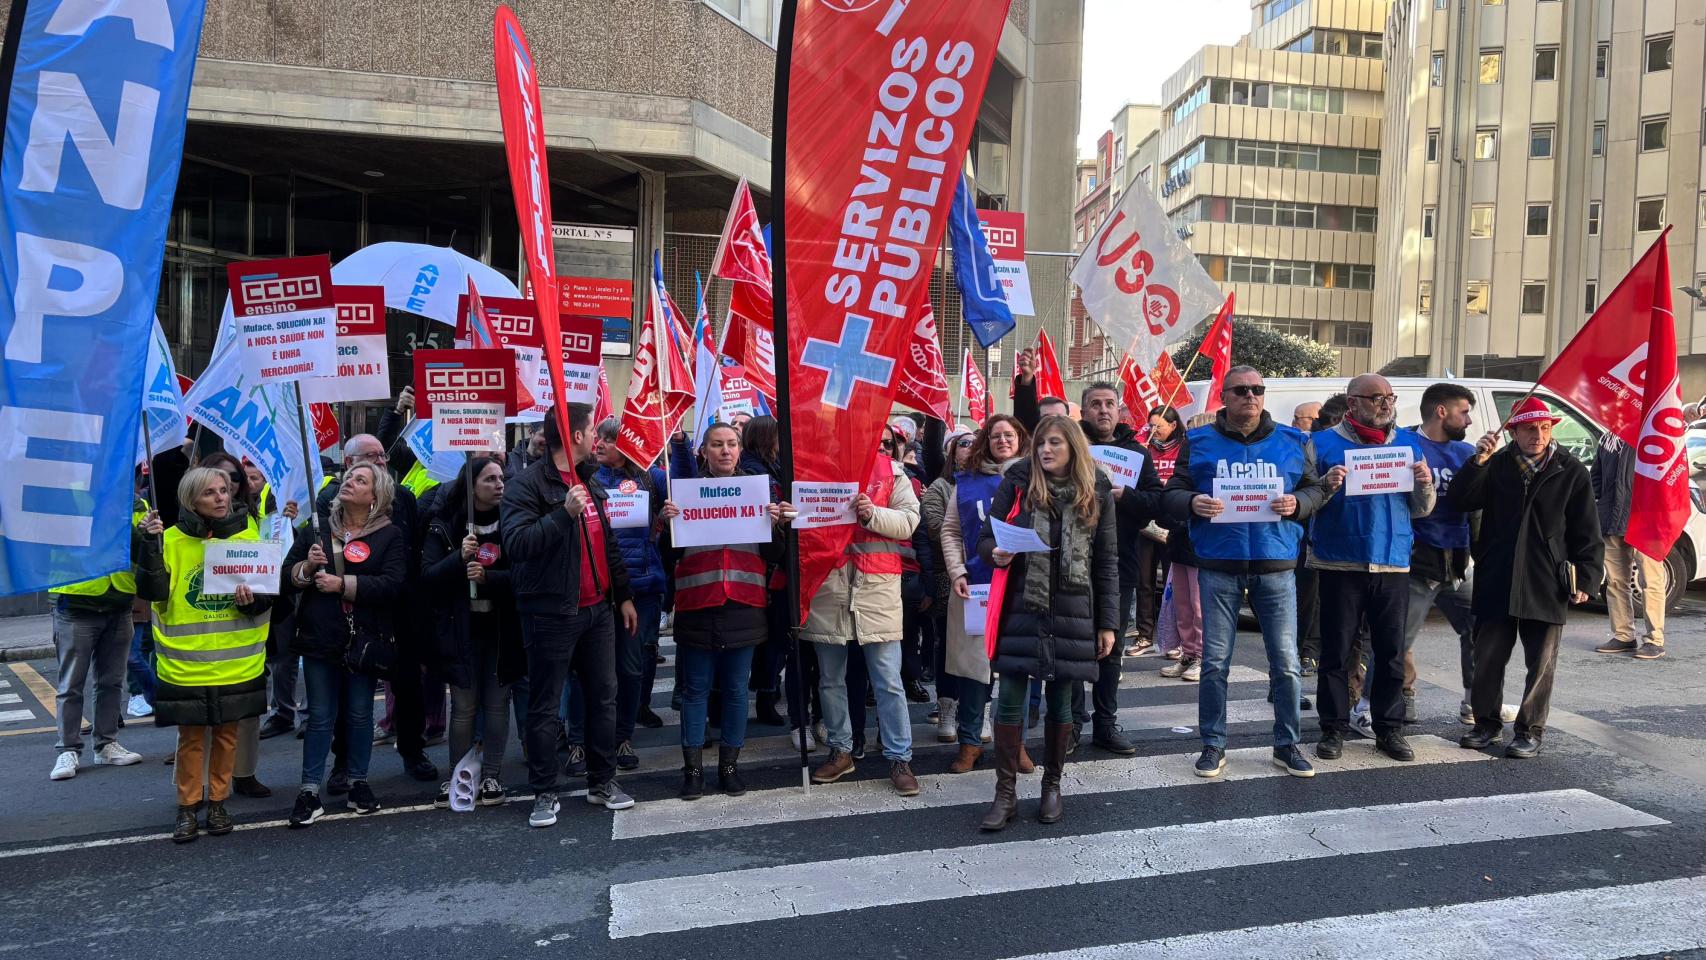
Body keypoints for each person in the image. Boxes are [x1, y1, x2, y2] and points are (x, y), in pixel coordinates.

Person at [1163, 366, 1326, 780]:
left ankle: (1287, 744)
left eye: (1257, 389)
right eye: (1240, 390)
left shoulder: (1293, 440)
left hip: (1276, 564)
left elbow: (1314, 489)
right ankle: (1213, 744)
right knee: (1215, 662)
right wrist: (1191, 503)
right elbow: (1172, 493)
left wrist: (1299, 504)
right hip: (1219, 564)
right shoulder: (1199, 440)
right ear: (1225, 395)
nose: (1250, 396)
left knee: (1286, 663)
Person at [976, 416, 1119, 829]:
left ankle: (1052, 786)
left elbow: (1106, 562)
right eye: (1040, 443)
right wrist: (995, 553)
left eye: (1055, 442)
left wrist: (1108, 624)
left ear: (1073, 446)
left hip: (1074, 611)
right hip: (1021, 607)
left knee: (1060, 702)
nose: (1045, 450)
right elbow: (986, 538)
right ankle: (1005, 794)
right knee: (1009, 699)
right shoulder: (1018, 482)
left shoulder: (1098, 489)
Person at [501, 404, 638, 827]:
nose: (597, 437)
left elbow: (607, 545)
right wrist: (564, 514)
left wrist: (623, 596)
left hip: (598, 610)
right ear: (576, 436)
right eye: (592, 430)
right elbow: (517, 545)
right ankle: (544, 791)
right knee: (545, 705)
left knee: (603, 697)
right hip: (551, 612)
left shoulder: (589, 481)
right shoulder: (525, 485)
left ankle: (602, 781)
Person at [1453, 397, 1603, 759]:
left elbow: (1587, 529)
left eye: (1545, 428)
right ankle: (1486, 724)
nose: (1538, 435)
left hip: (1546, 578)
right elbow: (1461, 500)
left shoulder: (1571, 470)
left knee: (1541, 664)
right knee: (1488, 658)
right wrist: (1478, 462)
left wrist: (1587, 579)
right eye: (1530, 428)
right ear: (1514, 432)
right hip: (1497, 575)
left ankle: (1530, 730)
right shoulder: (1497, 463)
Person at [134, 468, 274, 843]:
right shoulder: (170, 539)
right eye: (210, 492)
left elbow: (266, 598)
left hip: (236, 662)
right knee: (191, 739)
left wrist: (252, 601)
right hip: (187, 663)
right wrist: (148, 544)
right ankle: (187, 807)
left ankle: (218, 803)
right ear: (191, 499)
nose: (221, 497)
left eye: (224, 490)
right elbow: (151, 591)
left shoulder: (248, 536)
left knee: (227, 738)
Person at [1309, 374, 1435, 763]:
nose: (1385, 404)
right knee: (1336, 651)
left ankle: (1388, 728)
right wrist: (1326, 485)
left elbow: (1421, 509)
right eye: (1376, 397)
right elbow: (1304, 500)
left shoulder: (1409, 444)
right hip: (1339, 561)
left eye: (1389, 397)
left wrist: (1424, 484)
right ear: (1352, 403)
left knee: (1391, 652)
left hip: (1392, 562)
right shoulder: (1321, 444)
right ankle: (1333, 728)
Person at [663, 422, 790, 799]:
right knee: (695, 691)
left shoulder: (757, 490)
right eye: (717, 444)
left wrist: (775, 525)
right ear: (704, 451)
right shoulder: (685, 494)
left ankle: (729, 767)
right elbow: (669, 555)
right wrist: (667, 525)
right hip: (698, 605)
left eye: (732, 444)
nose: (725, 450)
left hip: (743, 605)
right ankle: (692, 771)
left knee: (736, 691)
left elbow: (775, 554)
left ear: (739, 449)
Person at [284, 462, 408, 827]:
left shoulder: (389, 535)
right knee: (320, 715)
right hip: (320, 636)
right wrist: (307, 568)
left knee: (359, 714)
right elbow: (286, 577)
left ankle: (358, 783)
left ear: (375, 495)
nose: (349, 482)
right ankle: (309, 790)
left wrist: (343, 586)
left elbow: (393, 584)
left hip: (363, 640)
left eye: (360, 480)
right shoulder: (317, 528)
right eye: (349, 477)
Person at [807, 431, 924, 796]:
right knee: (830, 679)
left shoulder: (893, 473)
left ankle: (900, 758)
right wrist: (790, 518)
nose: (880, 445)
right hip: (830, 588)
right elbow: (805, 526)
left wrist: (873, 513)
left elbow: (909, 521)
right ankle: (841, 750)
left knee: (888, 680)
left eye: (887, 441)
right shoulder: (818, 472)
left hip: (877, 588)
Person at [319, 433, 437, 787]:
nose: (381, 461)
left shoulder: (403, 498)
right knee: (349, 690)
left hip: (400, 607)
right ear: (349, 463)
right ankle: (343, 763)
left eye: (382, 455)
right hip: (354, 609)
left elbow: (415, 550)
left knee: (408, 683)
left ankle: (413, 751)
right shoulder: (332, 499)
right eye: (371, 457)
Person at [423, 456, 521, 808]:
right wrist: (458, 559)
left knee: (496, 705)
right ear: (470, 485)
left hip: (501, 630)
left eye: (501, 478)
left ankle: (492, 775)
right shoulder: (446, 525)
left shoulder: (512, 521)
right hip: (460, 631)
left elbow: (526, 575)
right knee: (463, 707)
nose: (499, 485)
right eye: (489, 479)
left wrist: (489, 578)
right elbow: (428, 577)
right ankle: (457, 775)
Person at [1071, 383, 1163, 756]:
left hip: (1118, 566)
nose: (1103, 410)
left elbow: (1157, 502)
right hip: (1072, 565)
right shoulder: (1070, 448)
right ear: (1084, 411)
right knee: (1073, 648)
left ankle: (1105, 724)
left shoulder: (1137, 454)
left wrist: (1126, 496)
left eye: (1109, 404)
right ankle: (1071, 724)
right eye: (1095, 404)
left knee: (1111, 648)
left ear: (1119, 410)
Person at [940, 415, 1033, 773]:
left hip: (1022, 588)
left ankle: (1015, 744)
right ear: (986, 442)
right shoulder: (966, 481)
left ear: (1020, 438)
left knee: (1017, 669)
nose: (1003, 440)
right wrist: (957, 571)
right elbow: (951, 531)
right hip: (976, 586)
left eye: (1009, 434)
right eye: (995, 436)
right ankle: (970, 743)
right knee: (973, 672)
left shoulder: (1036, 478)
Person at [1403, 383, 1490, 725]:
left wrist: (1482, 464)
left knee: (1481, 629)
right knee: (1397, 640)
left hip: (1458, 562)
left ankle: (1476, 702)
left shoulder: (1467, 452)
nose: (1469, 420)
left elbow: (1478, 507)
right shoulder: (1404, 445)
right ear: (1442, 411)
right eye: (1464, 412)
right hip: (1415, 562)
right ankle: (1397, 699)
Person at [47, 494, 148, 781]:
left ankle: (106, 744)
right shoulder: (66, 495)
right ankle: (67, 748)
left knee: (111, 682)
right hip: (76, 601)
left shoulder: (136, 504)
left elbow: (143, 552)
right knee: (71, 684)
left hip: (119, 602)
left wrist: (150, 535)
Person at [593, 417, 670, 768]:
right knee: (595, 671)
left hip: (641, 588)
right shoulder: (588, 479)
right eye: (598, 437)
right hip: (600, 589)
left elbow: (684, 486)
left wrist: (678, 443)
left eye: (608, 439)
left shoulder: (650, 478)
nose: (599, 444)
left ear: (624, 445)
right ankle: (589, 739)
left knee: (630, 667)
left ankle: (623, 737)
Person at [198, 453, 275, 798]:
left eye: (232, 478)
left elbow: (264, 581)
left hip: (242, 635)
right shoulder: (179, 532)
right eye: (216, 480)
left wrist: (252, 601)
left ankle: (244, 773)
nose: (225, 486)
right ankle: (198, 784)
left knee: (245, 711)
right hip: (199, 639)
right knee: (200, 717)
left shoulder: (250, 523)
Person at [1592, 432, 1667, 659]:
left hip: (1646, 520)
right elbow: (1596, 477)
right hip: (1612, 520)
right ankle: (1624, 635)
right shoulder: (1608, 438)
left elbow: (1666, 478)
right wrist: (1599, 505)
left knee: (1650, 580)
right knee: (1616, 582)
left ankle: (1655, 640)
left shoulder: (1653, 433)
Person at [921, 426, 974, 743]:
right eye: (964, 443)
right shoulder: (940, 487)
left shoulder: (992, 483)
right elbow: (936, 529)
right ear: (952, 452)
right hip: (949, 580)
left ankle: (979, 711)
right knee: (948, 648)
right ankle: (947, 710)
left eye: (976, 442)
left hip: (983, 579)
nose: (971, 447)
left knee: (979, 648)